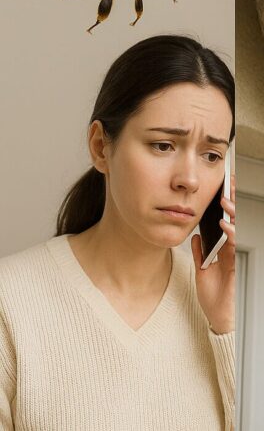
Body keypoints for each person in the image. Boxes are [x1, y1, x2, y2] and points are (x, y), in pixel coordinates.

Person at [0, 35, 236, 430]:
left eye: (212, 156)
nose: (190, 180)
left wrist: (225, 328)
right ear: (100, 147)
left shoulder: (220, 310)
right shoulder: (11, 300)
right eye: (162, 145)